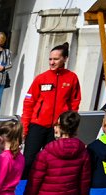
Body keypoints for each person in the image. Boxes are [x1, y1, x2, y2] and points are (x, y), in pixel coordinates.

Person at [20, 43, 82, 173]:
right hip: (37, 125)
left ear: (65, 59)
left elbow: (74, 103)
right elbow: (28, 103)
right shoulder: (41, 78)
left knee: (53, 162)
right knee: (28, 161)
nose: (52, 62)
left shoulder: (72, 78)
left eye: (56, 59)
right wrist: (24, 128)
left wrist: (69, 126)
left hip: (58, 128)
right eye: (50, 59)